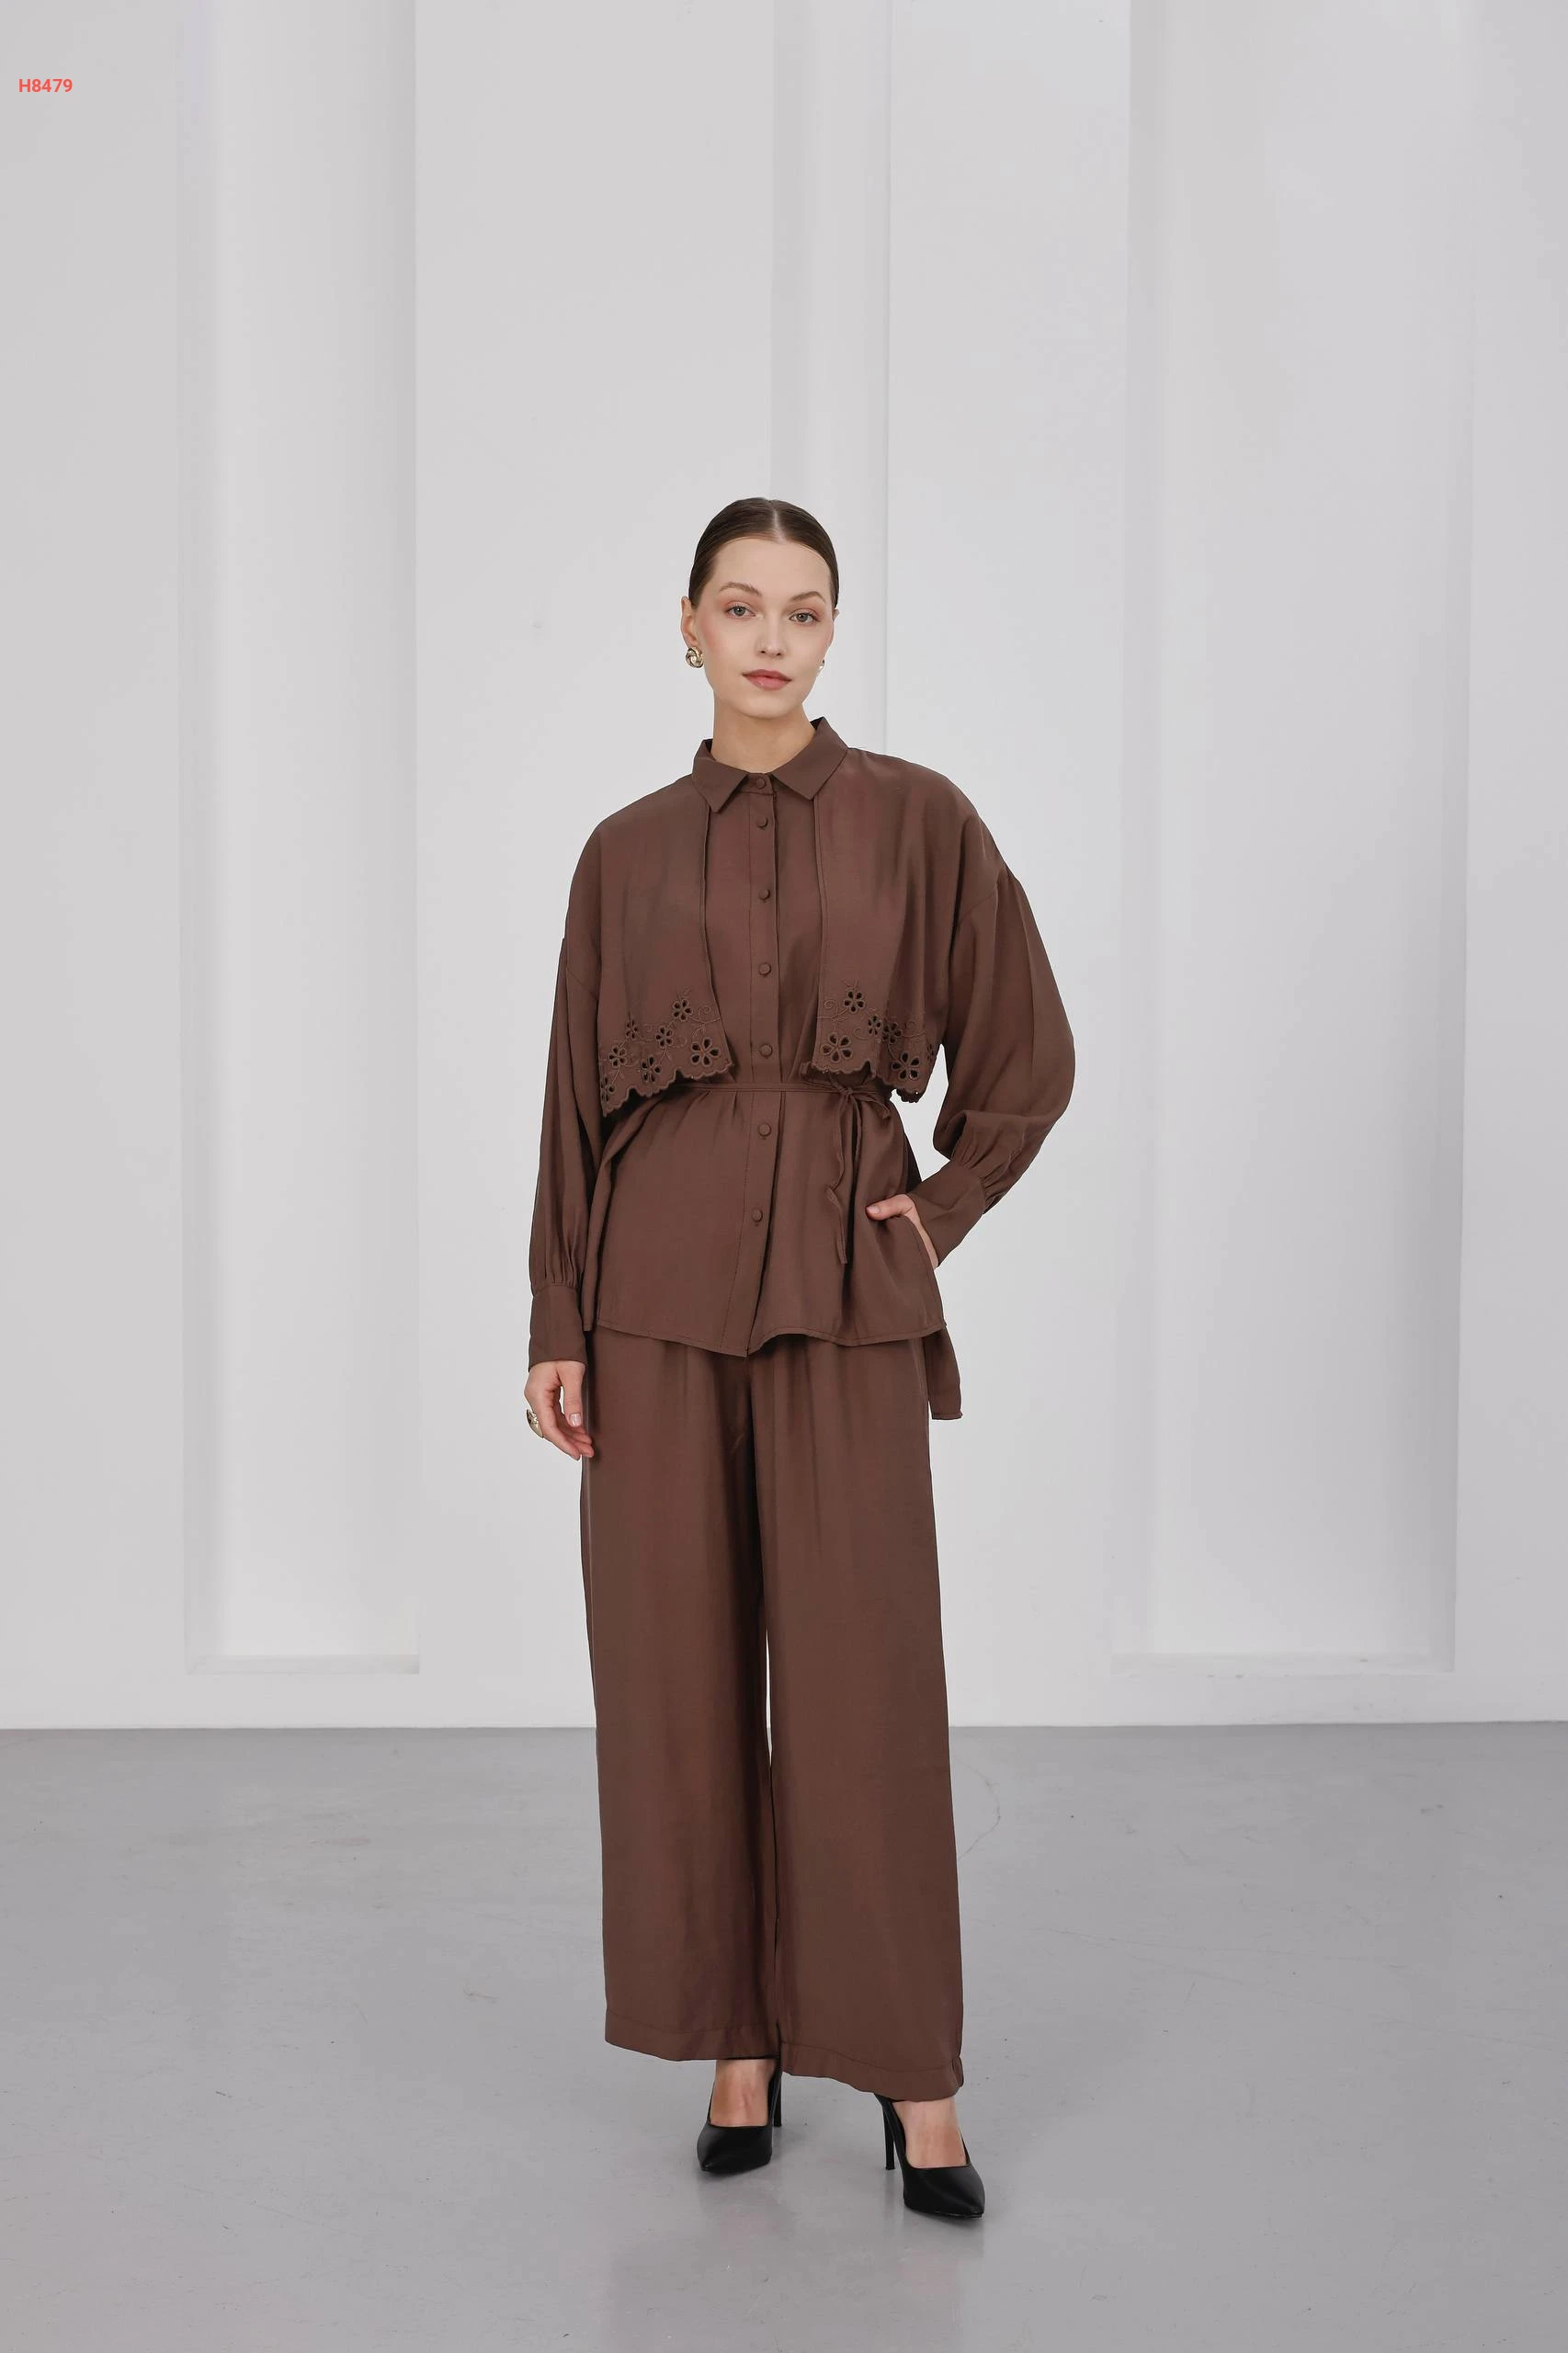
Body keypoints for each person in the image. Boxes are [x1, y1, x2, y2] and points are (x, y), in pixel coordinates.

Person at [524, 495, 1074, 2221]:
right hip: (651, 1295)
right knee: (675, 1689)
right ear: (686, 625)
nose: (772, 638)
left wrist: (939, 1209)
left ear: (834, 633)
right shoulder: (621, 851)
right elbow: (570, 1104)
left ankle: (915, 2077)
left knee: (863, 1688)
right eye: (741, 605)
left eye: (805, 610)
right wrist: (555, 1322)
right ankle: (734, 2046)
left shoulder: (922, 821)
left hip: (845, 1288)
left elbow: (1027, 1053)